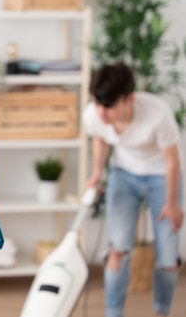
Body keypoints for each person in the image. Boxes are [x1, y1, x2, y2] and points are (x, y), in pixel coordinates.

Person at [83, 61, 184, 317]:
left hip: (162, 178)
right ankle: (113, 314)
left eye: (108, 106)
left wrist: (172, 204)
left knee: (168, 261)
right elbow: (101, 138)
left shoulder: (157, 114)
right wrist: (97, 173)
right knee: (117, 250)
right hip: (124, 175)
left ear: (129, 99)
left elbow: (173, 162)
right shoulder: (95, 114)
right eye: (97, 103)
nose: (101, 113)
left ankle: (162, 311)